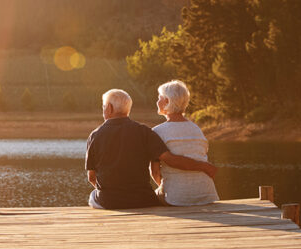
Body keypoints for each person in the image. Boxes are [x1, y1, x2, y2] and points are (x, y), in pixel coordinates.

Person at [86, 89, 217, 210]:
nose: (103, 110)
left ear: (109, 108)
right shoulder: (145, 132)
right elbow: (169, 159)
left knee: (93, 195)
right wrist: (203, 166)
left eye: (103, 107)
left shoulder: (95, 135)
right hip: (142, 199)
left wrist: (112, 194)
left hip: (109, 201)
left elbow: (91, 177)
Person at [151, 80, 219, 206]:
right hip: (206, 194)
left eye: (159, 98)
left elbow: (155, 172)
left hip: (176, 198)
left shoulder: (157, 132)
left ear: (167, 101)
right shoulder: (197, 129)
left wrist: (171, 189)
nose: (157, 101)